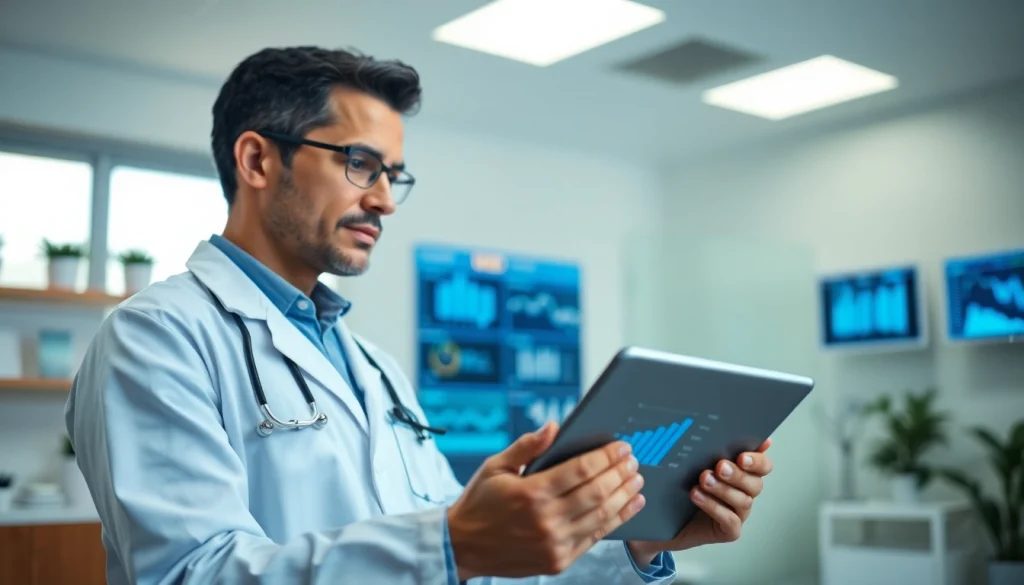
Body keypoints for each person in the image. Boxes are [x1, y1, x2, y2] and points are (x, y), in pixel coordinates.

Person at [65, 46, 775, 585]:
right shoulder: (155, 336)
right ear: (256, 158)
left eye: (393, 174)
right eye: (359, 164)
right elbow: (190, 571)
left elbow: (479, 566)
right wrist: (451, 539)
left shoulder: (374, 367)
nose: (385, 200)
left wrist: (641, 542)